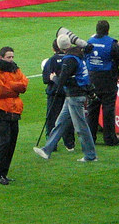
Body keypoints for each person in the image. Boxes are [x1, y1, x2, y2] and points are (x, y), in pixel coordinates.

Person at [35, 32, 98, 162]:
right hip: (75, 94)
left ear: (59, 46)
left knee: (81, 127)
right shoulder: (78, 54)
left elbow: (63, 80)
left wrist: (54, 78)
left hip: (75, 95)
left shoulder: (69, 59)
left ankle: (90, 155)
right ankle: (47, 149)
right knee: (60, 123)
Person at [0, 46, 28, 185]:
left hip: (13, 111)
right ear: (1, 57)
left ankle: (3, 173)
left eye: (12, 57)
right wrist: (14, 89)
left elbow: (24, 85)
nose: (11, 59)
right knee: (3, 144)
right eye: (8, 57)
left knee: (11, 144)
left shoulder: (15, 68)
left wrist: (10, 85)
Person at [87, 20, 119, 147]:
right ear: (108, 30)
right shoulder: (111, 43)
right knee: (108, 110)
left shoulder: (89, 42)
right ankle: (110, 138)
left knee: (92, 110)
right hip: (107, 80)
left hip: (92, 79)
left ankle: (90, 138)